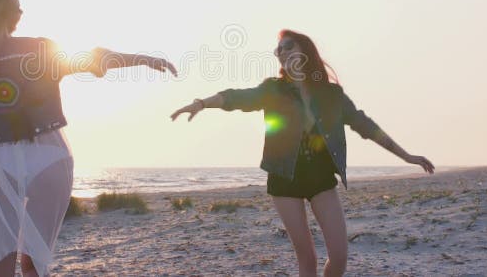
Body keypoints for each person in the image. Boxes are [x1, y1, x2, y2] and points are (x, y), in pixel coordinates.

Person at [0, 0, 177, 277]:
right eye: (16, 5)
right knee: (32, 263)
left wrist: (3, 116)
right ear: (2, 12)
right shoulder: (37, 49)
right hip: (47, 153)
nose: (21, 11)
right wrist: (143, 59)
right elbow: (90, 59)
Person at [170, 29, 433, 277]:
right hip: (284, 178)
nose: (281, 52)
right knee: (307, 259)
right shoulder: (273, 90)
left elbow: (365, 126)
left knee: (339, 258)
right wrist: (202, 103)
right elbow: (237, 97)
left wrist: (407, 156)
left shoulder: (331, 94)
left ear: (305, 51)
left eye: (287, 46)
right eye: (277, 50)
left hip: (320, 177)